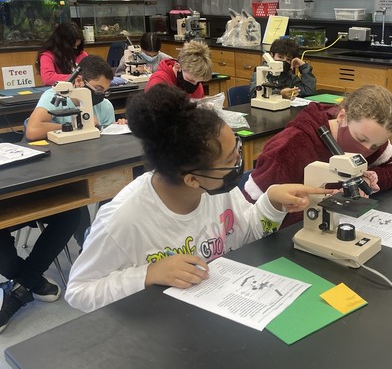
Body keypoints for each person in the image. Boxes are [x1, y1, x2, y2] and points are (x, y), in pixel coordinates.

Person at [65, 84, 332, 313]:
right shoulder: (124, 220)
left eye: (237, 150)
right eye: (230, 160)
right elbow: (79, 292)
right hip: (162, 327)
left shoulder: (216, 191)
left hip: (218, 311)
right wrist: (148, 274)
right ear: (193, 180)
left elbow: (245, 232)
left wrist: (271, 203)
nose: (239, 163)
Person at [242, 84, 392, 228]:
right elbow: (251, 214)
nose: (366, 150)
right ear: (342, 117)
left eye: (375, 145)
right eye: (361, 139)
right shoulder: (290, 148)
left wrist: (368, 180)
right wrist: (308, 208)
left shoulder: (371, 136)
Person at [26, 55, 123, 142]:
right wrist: (75, 127)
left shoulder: (105, 106)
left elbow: (109, 140)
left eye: (105, 91)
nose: (101, 95)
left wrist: (120, 127)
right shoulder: (53, 96)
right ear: (79, 81)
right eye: (98, 89)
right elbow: (32, 131)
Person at [250, 38, 316, 99]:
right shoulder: (261, 73)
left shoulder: (290, 77)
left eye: (288, 59)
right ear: (271, 55)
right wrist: (279, 93)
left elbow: (309, 91)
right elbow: (254, 94)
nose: (284, 61)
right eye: (280, 57)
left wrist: (303, 66)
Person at [145, 40, 212, 99]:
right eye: (190, 80)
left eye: (199, 81)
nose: (194, 85)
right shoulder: (158, 82)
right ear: (177, 67)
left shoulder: (197, 85)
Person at [37, 21, 88, 86]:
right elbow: (48, 78)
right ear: (62, 43)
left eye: (77, 46)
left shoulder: (82, 54)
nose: (75, 48)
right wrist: (75, 77)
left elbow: (93, 74)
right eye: (72, 46)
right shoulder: (47, 56)